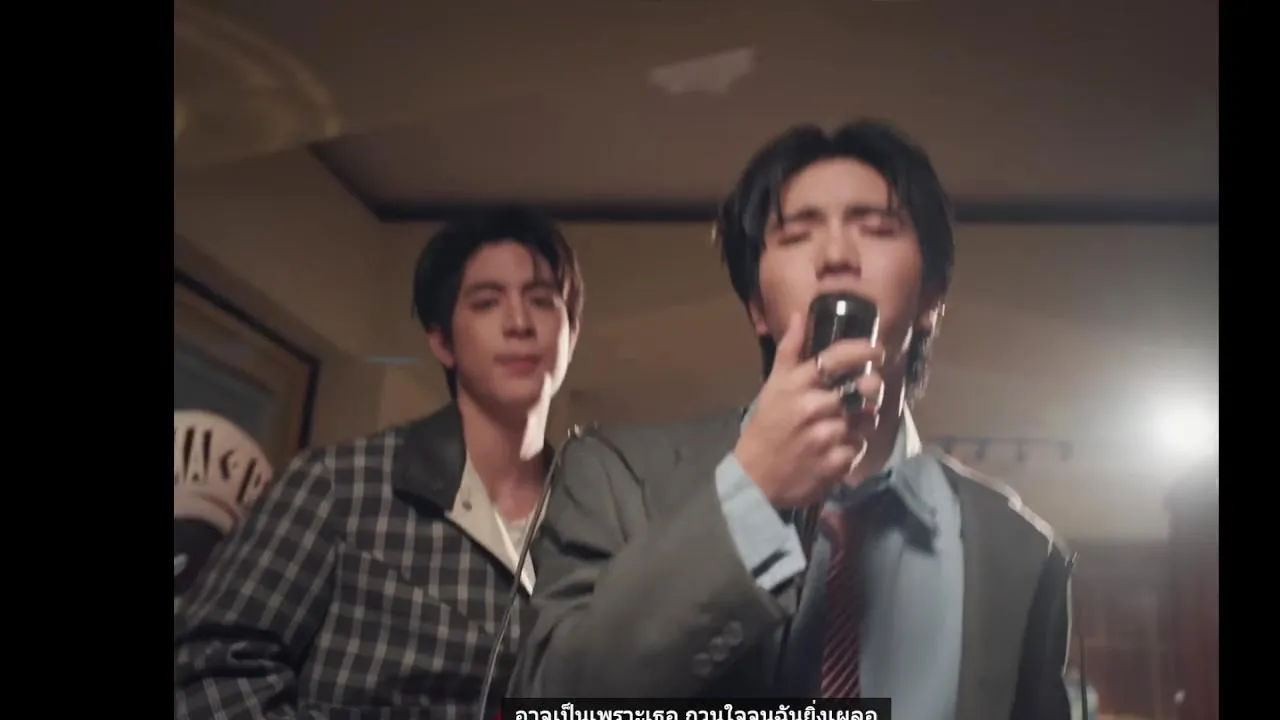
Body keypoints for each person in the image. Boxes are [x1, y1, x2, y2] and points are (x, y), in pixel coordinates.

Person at [515, 121, 1072, 719]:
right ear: (757, 307)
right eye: (798, 234)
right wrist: (752, 492)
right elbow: (551, 701)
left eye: (876, 229)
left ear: (932, 297)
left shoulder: (1018, 549)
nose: (837, 257)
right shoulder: (615, 477)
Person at [175, 206, 584, 720]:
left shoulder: (599, 517)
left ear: (571, 333)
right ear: (442, 341)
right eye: (486, 302)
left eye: (542, 300)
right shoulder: (335, 488)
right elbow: (207, 674)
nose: (519, 323)